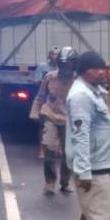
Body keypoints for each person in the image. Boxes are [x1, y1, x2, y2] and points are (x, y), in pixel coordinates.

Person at [63, 51, 110, 220]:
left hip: (97, 162)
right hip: (92, 166)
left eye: (102, 68)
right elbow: (80, 135)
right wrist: (84, 171)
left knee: (89, 214)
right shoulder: (81, 96)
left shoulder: (93, 90)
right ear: (84, 71)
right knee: (101, 217)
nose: (101, 72)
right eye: (95, 69)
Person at [29, 47, 77, 194]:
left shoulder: (78, 81)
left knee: (68, 154)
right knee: (49, 150)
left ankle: (65, 182)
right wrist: (35, 112)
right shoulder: (50, 77)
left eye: (68, 64)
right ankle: (50, 181)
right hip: (51, 116)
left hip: (70, 120)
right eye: (62, 64)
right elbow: (41, 96)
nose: (65, 67)